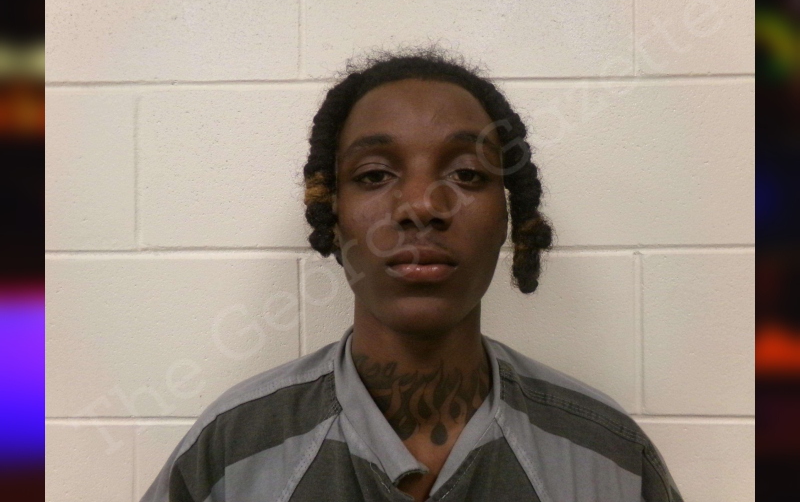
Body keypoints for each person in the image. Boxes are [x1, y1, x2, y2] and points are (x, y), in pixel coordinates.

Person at [141, 49, 684, 502]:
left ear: (507, 217)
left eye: (467, 174)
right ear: (332, 213)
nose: (422, 205)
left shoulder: (607, 456)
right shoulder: (232, 452)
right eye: (374, 175)